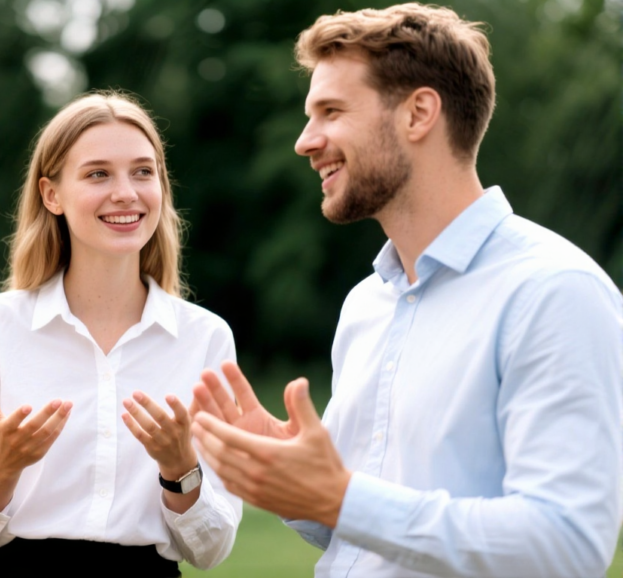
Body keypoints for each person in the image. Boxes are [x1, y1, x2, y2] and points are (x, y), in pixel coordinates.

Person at [189, 4, 623, 578]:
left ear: (418, 113)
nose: (305, 141)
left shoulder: (554, 293)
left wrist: (339, 496)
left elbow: (566, 546)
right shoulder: (367, 305)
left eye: (331, 111)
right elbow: (354, 529)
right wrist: (293, 474)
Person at [0, 91, 242, 577]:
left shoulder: (205, 338)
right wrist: (4, 465)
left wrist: (180, 468)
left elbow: (212, 547)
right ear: (51, 194)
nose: (126, 192)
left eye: (143, 172)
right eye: (99, 174)